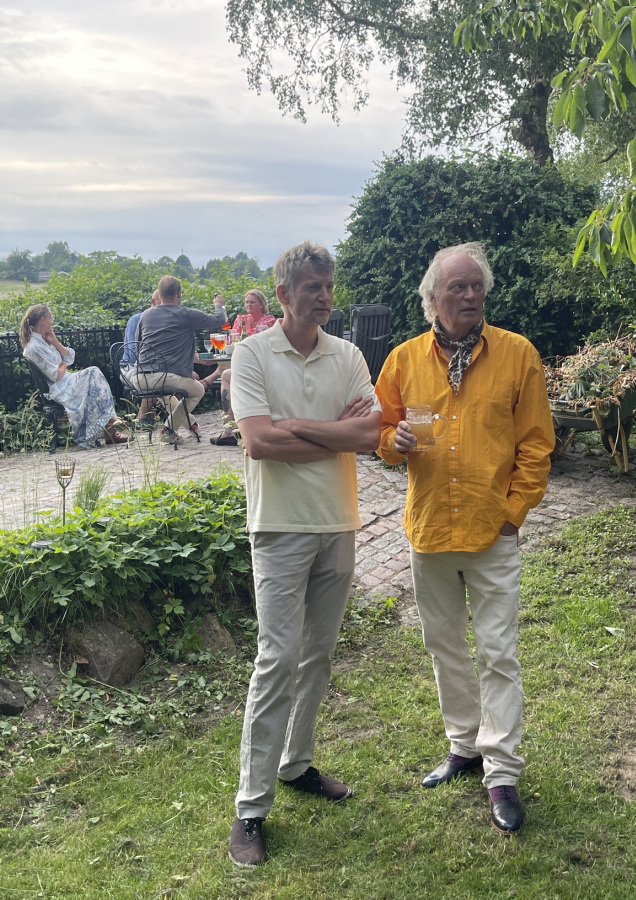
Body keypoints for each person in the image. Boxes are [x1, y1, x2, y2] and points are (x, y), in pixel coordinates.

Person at [375, 242, 554, 835]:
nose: (471, 295)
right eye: (458, 286)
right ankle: (463, 745)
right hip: (429, 529)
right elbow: (381, 430)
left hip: (491, 530)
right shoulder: (403, 360)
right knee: (445, 645)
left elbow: (537, 442)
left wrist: (513, 512)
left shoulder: (517, 354)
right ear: (433, 298)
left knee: (498, 652)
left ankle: (501, 770)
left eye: (477, 286)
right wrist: (392, 442)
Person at [228, 242, 381, 867]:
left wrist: (296, 426)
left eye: (328, 286)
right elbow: (258, 443)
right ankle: (250, 807)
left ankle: (296, 765)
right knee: (277, 658)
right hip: (279, 526)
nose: (325, 296)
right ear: (284, 294)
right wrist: (334, 433)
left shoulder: (348, 355)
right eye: (313, 286)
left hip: (338, 522)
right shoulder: (251, 353)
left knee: (318, 655)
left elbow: (371, 433)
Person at [132, 275, 227, 442]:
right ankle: (168, 430)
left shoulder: (145, 315)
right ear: (178, 294)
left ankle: (190, 424)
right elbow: (219, 320)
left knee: (166, 396)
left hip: (139, 378)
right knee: (198, 390)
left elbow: (138, 345)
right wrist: (219, 305)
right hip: (165, 377)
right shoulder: (185, 314)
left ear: (160, 293)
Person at [21, 304, 128, 447]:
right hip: (59, 388)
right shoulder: (34, 347)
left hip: (67, 381)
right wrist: (64, 363)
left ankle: (110, 424)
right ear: (43, 320)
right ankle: (111, 423)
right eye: (50, 318)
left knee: (93, 376)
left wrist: (55, 342)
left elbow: (70, 357)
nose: (52, 322)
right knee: (93, 372)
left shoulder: (45, 340)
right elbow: (56, 376)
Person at [205, 291, 277, 429]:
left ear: (262, 304)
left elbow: (254, 339)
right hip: (242, 360)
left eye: (252, 302)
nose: (248, 305)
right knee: (227, 370)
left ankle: (230, 427)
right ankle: (231, 425)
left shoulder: (268, 320)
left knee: (226, 373)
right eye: (247, 302)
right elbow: (234, 338)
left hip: (260, 363)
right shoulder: (241, 319)